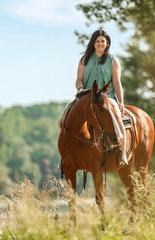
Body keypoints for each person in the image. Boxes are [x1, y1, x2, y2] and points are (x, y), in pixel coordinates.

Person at [59, 29, 128, 168]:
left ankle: (122, 153)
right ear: (93, 43)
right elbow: (78, 80)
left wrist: (120, 102)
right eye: (97, 41)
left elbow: (116, 83)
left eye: (103, 41)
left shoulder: (113, 60)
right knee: (62, 120)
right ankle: (64, 155)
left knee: (117, 117)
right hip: (86, 97)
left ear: (107, 43)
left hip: (107, 97)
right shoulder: (84, 60)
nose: (100, 43)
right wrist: (79, 89)